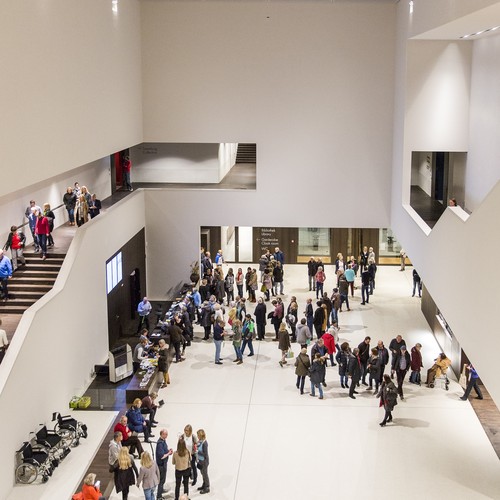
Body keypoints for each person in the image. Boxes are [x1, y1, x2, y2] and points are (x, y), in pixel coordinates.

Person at [156, 429, 173, 499]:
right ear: (162, 434)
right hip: (161, 465)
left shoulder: (163, 441)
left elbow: (164, 451)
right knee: (161, 481)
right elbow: (162, 456)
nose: (167, 435)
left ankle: (161, 490)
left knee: (163, 480)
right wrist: (168, 453)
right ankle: (159, 496)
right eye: (165, 434)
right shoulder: (160, 444)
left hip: (164, 464)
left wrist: (168, 450)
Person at [196, 429, 210, 494]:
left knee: (205, 474)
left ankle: (207, 487)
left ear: (201, 435)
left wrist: (198, 451)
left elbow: (205, 454)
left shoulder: (205, 443)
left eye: (198, 435)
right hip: (200, 460)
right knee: (202, 474)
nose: (197, 436)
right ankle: (204, 484)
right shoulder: (199, 441)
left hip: (204, 461)